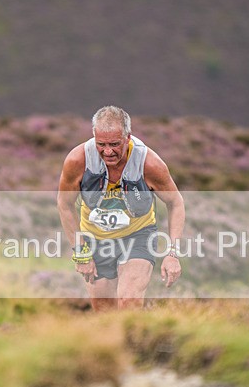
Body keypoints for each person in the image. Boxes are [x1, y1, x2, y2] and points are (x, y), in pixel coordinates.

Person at [57, 106, 185, 310]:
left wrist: (172, 254)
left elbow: (175, 203)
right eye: (101, 144)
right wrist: (81, 252)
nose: (108, 151)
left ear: (128, 137)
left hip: (137, 235)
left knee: (129, 302)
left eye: (115, 144)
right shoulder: (77, 160)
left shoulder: (150, 164)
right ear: (94, 137)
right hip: (95, 238)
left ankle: (138, 331)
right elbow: (64, 204)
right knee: (104, 311)